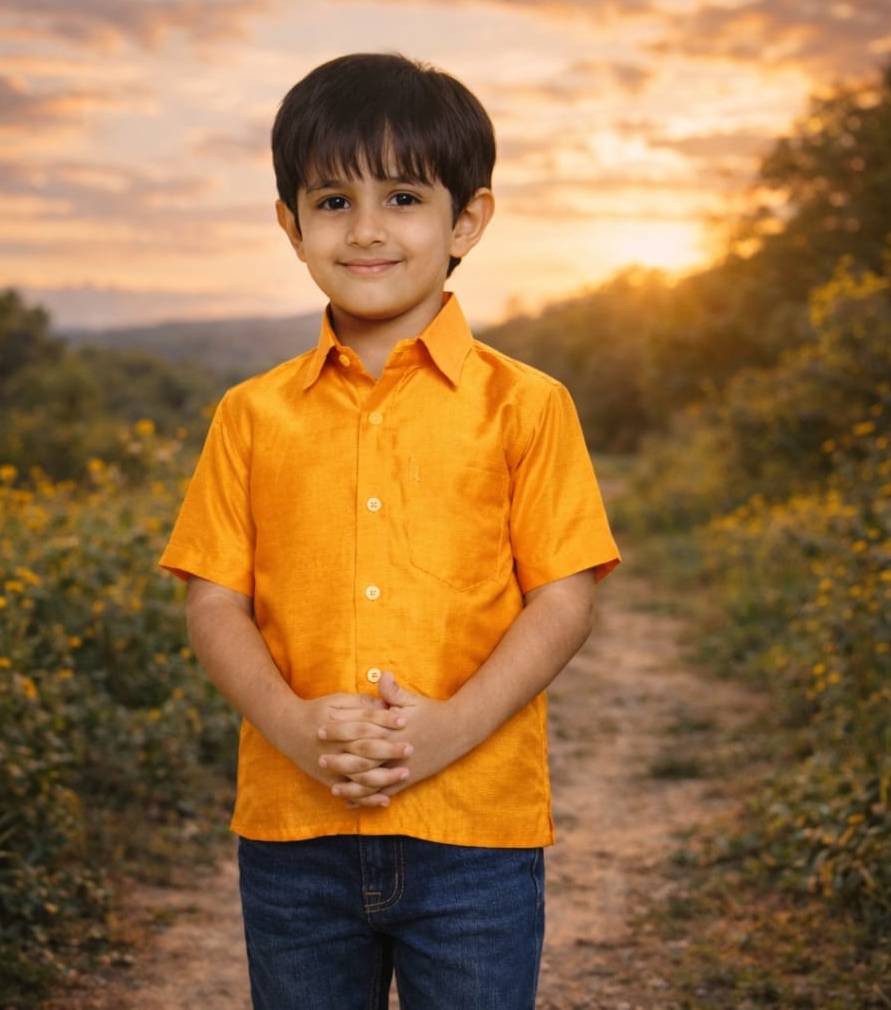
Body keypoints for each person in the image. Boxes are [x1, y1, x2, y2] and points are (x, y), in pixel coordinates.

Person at [160, 51, 620, 1010]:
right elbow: (214, 601)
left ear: (467, 220)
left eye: (403, 197)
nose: (366, 230)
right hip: (296, 838)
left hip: (476, 836)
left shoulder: (528, 406)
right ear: (289, 225)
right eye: (332, 202)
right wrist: (292, 725)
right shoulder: (249, 415)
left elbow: (565, 597)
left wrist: (451, 728)